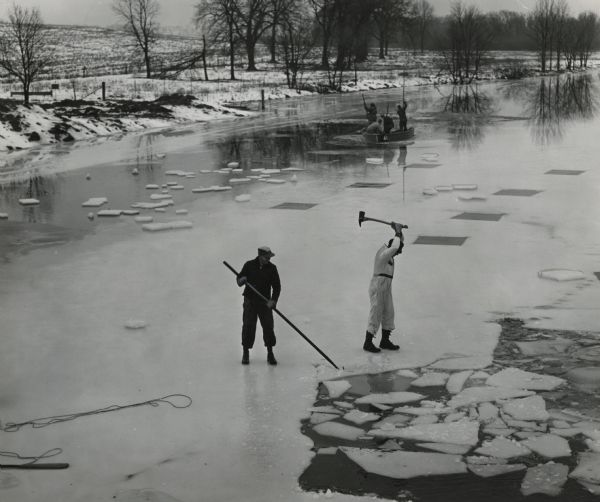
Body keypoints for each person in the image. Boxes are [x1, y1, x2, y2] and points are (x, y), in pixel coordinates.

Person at [363, 222, 405, 353]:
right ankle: (368, 342)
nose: (399, 253)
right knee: (376, 312)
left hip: (386, 286)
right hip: (378, 285)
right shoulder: (384, 253)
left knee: (389, 312)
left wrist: (398, 231)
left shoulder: (390, 252)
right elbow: (394, 247)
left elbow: (397, 243)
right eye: (399, 251)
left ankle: (385, 341)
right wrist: (397, 233)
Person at [237, 246, 281, 365]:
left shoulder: (272, 268)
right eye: (266, 257)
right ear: (260, 256)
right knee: (248, 326)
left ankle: (270, 353)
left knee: (268, 327)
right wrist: (241, 281)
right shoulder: (249, 265)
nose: (268, 259)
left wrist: (273, 300)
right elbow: (239, 278)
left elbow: (277, 287)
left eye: (269, 257)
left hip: (265, 303)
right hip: (250, 301)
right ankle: (245, 352)